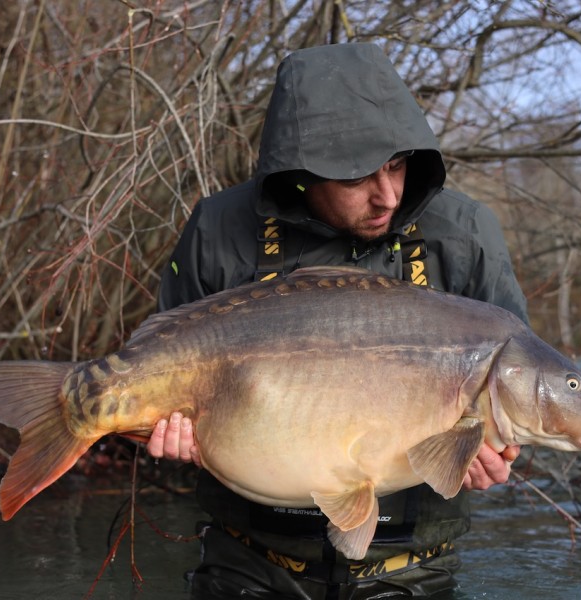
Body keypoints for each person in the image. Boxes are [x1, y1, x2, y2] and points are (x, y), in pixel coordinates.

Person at [146, 43, 528, 599]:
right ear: (301, 173)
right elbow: (155, 376)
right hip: (249, 561)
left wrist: (494, 454)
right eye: (357, 179)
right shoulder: (219, 229)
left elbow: (523, 382)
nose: (388, 196)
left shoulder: (464, 234)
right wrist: (161, 432)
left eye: (397, 166)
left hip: (411, 568)